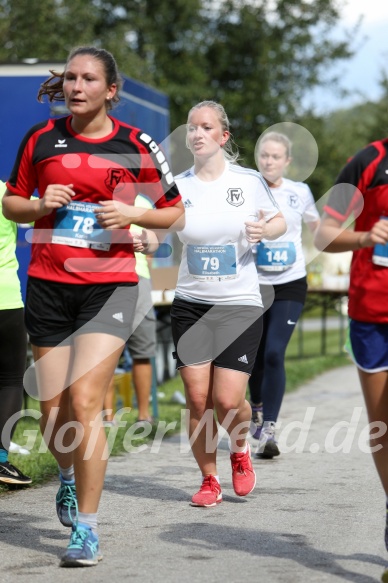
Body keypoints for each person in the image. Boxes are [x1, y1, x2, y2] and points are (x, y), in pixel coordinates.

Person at [2, 46, 183, 568]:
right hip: (49, 286)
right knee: (56, 413)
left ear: (111, 90)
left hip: (111, 287)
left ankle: (87, 528)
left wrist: (131, 214)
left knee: (85, 403)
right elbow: (13, 202)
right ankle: (65, 478)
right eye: (71, 78)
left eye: (88, 79)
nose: (76, 87)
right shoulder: (41, 140)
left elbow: (174, 214)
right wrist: (39, 205)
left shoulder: (136, 142)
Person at [170, 100, 286, 507]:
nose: (197, 134)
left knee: (225, 399)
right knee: (197, 397)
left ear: (223, 136)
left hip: (238, 301)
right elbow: (157, 231)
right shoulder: (179, 185)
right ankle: (208, 480)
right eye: (191, 128)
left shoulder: (248, 180)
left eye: (205, 127)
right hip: (190, 302)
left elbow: (279, 221)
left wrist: (264, 228)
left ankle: (239, 449)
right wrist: (143, 240)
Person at [313, 138, 388, 583]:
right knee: (382, 425)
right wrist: (365, 235)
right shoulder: (368, 161)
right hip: (373, 313)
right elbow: (324, 234)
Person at [248, 131, 320, 458]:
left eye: (276, 156)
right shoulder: (245, 189)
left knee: (275, 352)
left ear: (287, 161)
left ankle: (270, 430)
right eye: (264, 155)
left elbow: (318, 228)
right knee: (255, 358)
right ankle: (257, 409)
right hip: (253, 283)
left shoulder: (299, 191)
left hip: (290, 282)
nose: (269, 161)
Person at [104, 195, 156, 427]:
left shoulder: (142, 203)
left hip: (138, 277)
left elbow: (152, 245)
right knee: (105, 351)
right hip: (106, 278)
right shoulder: (99, 194)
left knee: (142, 349)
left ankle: (144, 416)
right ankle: (108, 416)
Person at [0, 180, 31, 486]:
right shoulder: (5, 193)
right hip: (5, 299)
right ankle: (0, 461)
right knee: (9, 381)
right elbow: (40, 213)